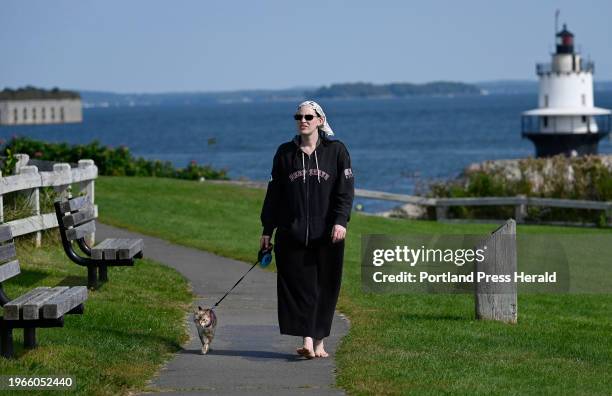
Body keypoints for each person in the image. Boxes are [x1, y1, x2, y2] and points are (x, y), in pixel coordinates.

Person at [260, 100, 354, 359]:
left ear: (320, 121)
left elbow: (344, 193)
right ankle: (308, 341)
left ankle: (319, 341)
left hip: (328, 234)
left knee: (326, 287)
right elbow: (274, 195)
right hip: (292, 233)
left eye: (309, 117)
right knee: (301, 288)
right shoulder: (285, 153)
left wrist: (340, 221)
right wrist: (268, 229)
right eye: (298, 116)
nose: (303, 120)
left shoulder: (337, 151)